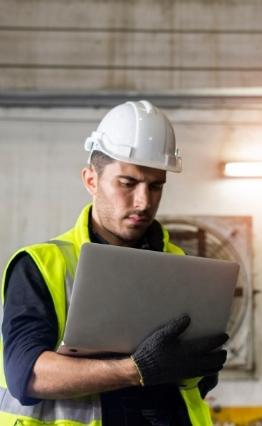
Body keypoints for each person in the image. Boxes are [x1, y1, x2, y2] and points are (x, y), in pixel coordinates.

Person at [0, 100, 227, 426]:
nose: (144, 202)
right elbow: (28, 376)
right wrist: (137, 369)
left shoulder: (183, 268)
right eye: (128, 183)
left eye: (156, 185)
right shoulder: (41, 265)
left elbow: (197, 384)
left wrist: (199, 362)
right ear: (91, 180)